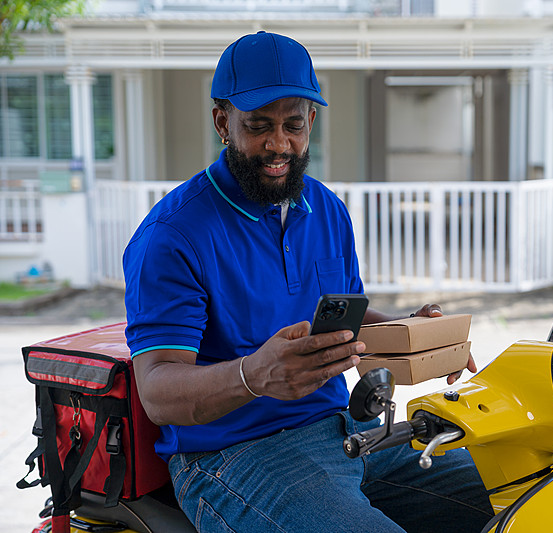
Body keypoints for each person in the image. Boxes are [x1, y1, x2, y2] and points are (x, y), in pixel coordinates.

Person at [123, 31, 493, 533]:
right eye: (258, 126)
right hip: (234, 457)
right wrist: (254, 375)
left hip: (349, 430)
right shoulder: (172, 236)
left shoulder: (327, 210)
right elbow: (158, 391)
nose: (279, 144)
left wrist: (412, 335)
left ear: (311, 121)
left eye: (293, 125)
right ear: (222, 121)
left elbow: (345, 321)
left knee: (515, 491)